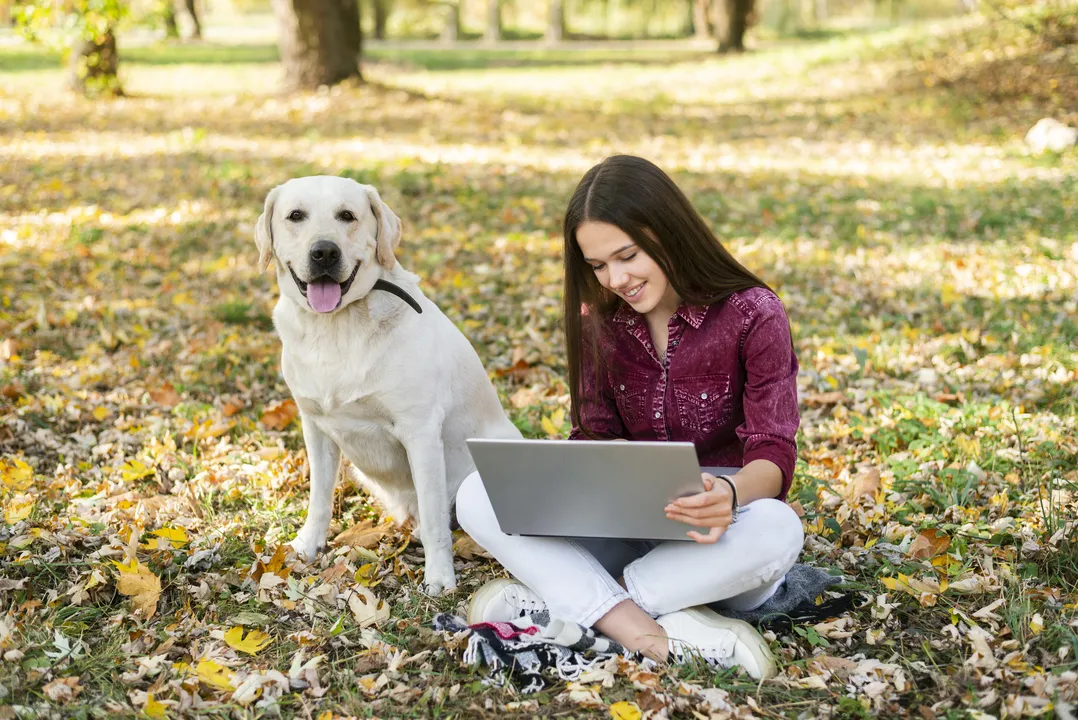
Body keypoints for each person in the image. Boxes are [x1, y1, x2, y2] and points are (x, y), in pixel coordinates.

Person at [454, 155, 804, 680]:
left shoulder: (754, 314)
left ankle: (565, 607)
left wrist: (728, 496)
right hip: (623, 522)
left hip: (721, 529)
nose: (615, 278)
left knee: (780, 530)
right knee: (475, 495)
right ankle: (650, 634)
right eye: (597, 266)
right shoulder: (600, 320)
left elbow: (773, 453)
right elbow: (592, 437)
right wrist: (584, 474)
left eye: (627, 256)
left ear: (668, 233)